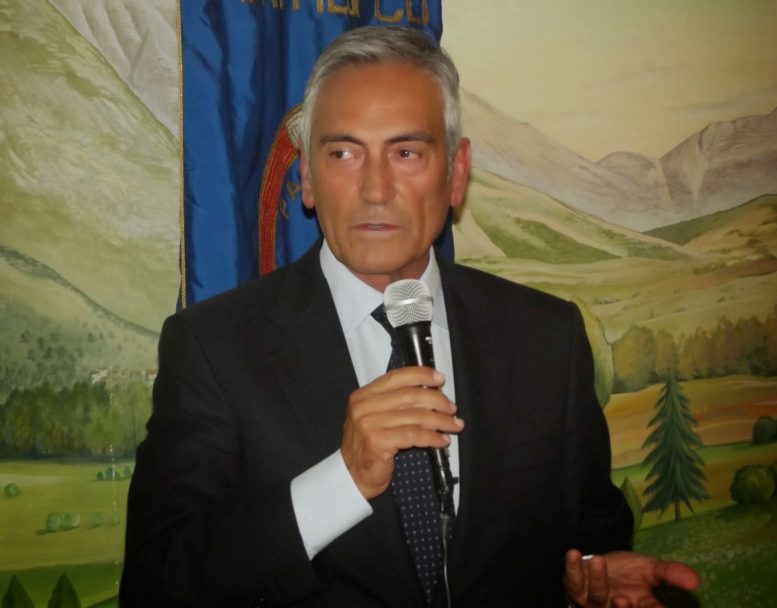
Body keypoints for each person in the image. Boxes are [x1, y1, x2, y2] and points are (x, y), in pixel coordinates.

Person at [121, 26, 700, 607]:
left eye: (406, 153)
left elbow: (588, 542)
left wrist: (587, 588)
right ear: (308, 178)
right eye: (344, 153)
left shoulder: (547, 338)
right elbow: (155, 585)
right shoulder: (214, 348)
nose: (375, 189)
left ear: (456, 173)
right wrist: (342, 480)